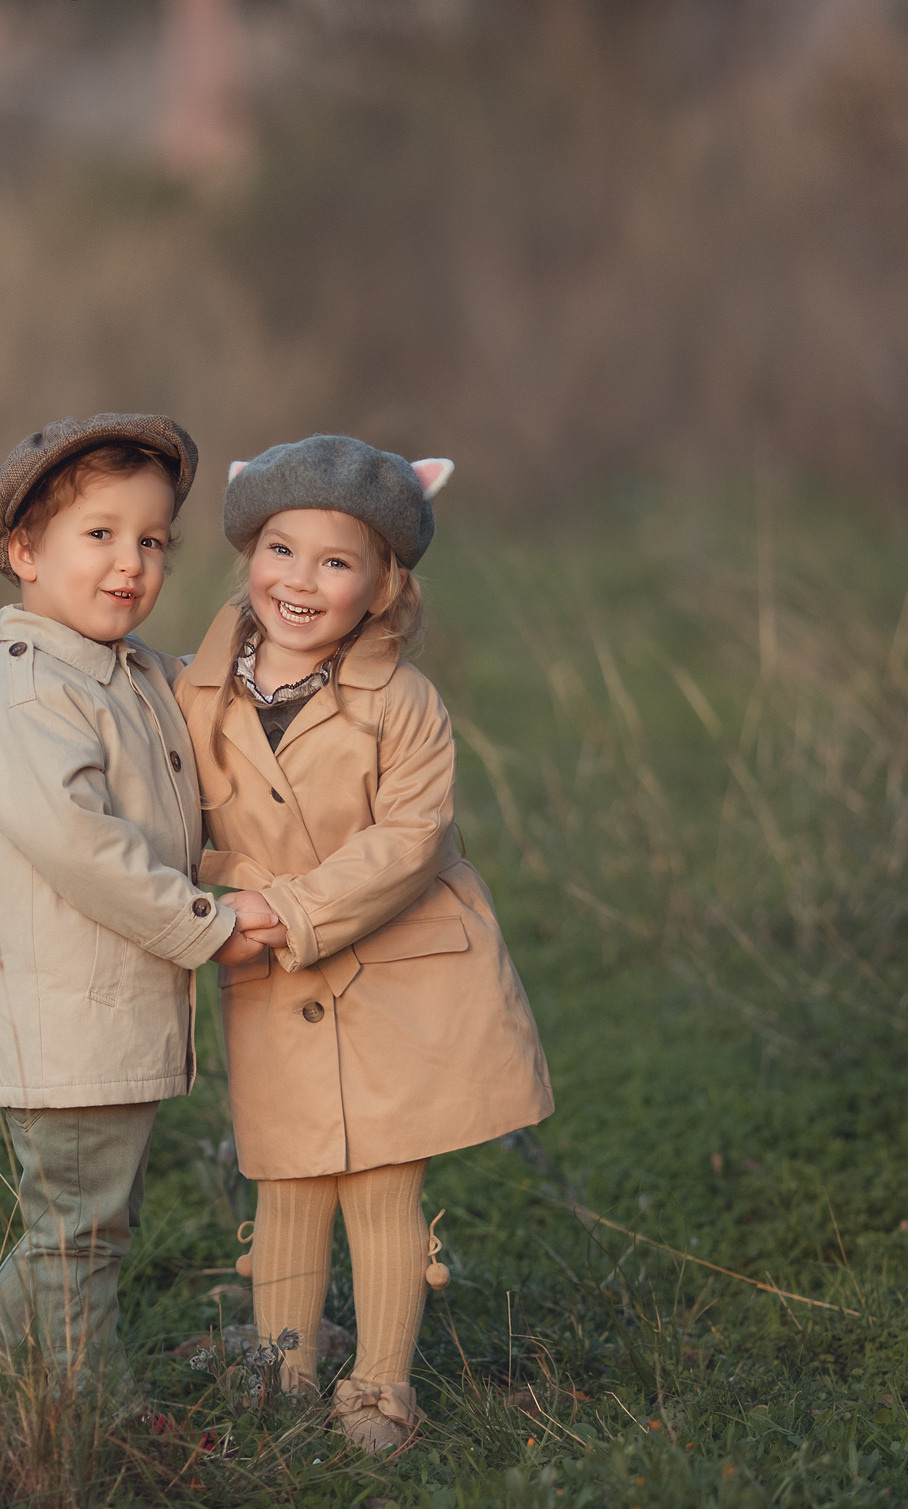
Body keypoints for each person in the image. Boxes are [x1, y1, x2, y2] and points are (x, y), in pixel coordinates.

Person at [174, 434, 553, 1451]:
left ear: (382, 588)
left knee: (384, 1180)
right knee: (289, 1174)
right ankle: (282, 1368)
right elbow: (177, 826)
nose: (299, 581)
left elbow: (411, 841)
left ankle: (382, 1387)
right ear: (249, 552)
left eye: (335, 563)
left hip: (393, 971)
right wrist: (224, 896)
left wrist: (290, 910)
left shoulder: (405, 706)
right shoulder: (195, 694)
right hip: (267, 972)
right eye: (280, 550)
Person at [0, 412, 277, 1389]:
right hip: (66, 1025)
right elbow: (86, 848)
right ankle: (86, 1413)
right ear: (25, 551)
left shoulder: (132, 669)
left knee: (83, 1223)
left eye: (150, 541)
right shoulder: (31, 693)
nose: (129, 564)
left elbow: (209, 720)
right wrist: (209, 925)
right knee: (79, 1233)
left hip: (108, 1019)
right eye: (98, 535)